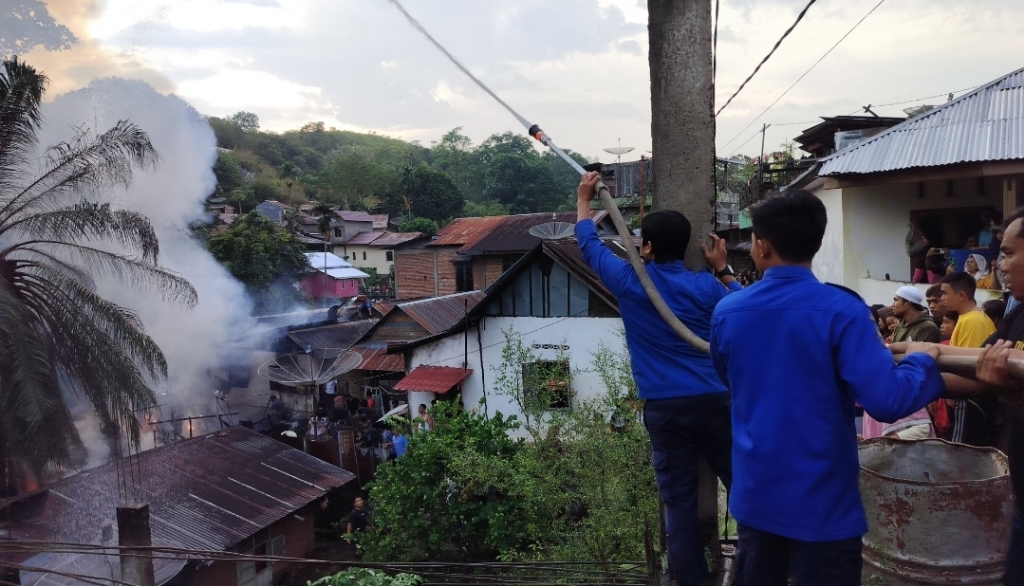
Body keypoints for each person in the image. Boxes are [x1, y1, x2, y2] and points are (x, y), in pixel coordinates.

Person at [709, 190, 943, 586]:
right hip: (823, 506)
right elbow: (888, 399)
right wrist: (923, 358)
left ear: (762, 246)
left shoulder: (728, 312)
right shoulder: (844, 311)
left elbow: (727, 377)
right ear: (816, 244)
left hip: (756, 499)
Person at [575, 171, 740, 586]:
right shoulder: (706, 286)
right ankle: (755, 570)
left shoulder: (632, 282)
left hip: (667, 411)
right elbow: (744, 310)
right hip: (719, 402)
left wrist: (583, 200)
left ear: (644, 246)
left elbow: (588, 245)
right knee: (746, 489)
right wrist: (723, 269)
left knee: (679, 508)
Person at [906, 206, 1024, 585]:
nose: (999, 264)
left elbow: (997, 377)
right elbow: (980, 371)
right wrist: (916, 373)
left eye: (1007, 253)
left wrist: (931, 360)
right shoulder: (1016, 314)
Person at [940, 271, 998, 445]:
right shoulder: (969, 318)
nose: (942, 298)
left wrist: (953, 394)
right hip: (968, 398)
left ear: (961, 295)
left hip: (968, 399)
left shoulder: (972, 321)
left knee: (960, 449)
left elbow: (967, 365)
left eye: (944, 293)